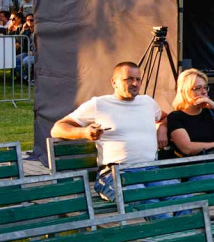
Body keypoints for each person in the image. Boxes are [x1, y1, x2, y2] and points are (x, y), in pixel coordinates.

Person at [51, 61, 169, 202]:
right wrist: (85, 132)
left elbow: (166, 118)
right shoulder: (99, 104)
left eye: (138, 79)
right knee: (149, 203)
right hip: (115, 174)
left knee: (184, 198)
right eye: (128, 79)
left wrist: (162, 128)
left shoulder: (148, 103)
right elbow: (57, 128)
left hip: (151, 171)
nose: (135, 84)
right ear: (114, 82)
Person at [167, 69, 214, 157]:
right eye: (198, 88)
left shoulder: (210, 112)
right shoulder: (176, 117)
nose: (204, 92)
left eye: (205, 87)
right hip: (195, 166)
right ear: (184, 91)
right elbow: (187, 148)